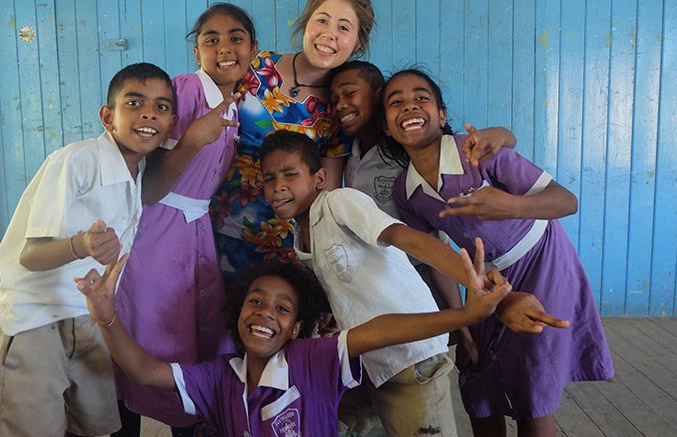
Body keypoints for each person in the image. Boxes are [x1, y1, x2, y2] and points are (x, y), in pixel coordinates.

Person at [258, 129, 568, 436]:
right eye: (269, 178)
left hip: (412, 358)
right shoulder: (302, 237)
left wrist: (487, 290)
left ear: (319, 179)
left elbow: (410, 239)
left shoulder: (339, 203)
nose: (278, 186)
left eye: (289, 175)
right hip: (378, 363)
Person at [75, 234, 512, 435]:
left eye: (282, 309)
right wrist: (106, 315)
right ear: (238, 311)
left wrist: (464, 317)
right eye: (256, 301)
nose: (265, 314)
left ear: (298, 328)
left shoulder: (311, 360)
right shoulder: (220, 378)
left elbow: (380, 331)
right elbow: (142, 370)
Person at [381, 68, 614, 437]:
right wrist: (461, 318)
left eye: (421, 97)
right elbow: (433, 255)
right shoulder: (405, 192)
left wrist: (510, 206)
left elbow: (566, 201)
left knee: (531, 380)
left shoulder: (481, 152)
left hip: (543, 259)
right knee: (476, 375)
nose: (409, 105)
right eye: (396, 102)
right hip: (487, 278)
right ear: (387, 127)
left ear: (441, 115)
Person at [0, 63, 176, 437]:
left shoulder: (136, 170)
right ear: (108, 116)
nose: (149, 114)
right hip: (38, 319)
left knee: (94, 424)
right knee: (30, 426)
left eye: (162, 107)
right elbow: (30, 255)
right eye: (134, 102)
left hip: (88, 317)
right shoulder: (75, 161)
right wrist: (80, 245)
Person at [112, 4, 258, 436]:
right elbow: (150, 186)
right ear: (197, 51)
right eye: (210, 39)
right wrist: (193, 139)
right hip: (158, 233)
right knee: (150, 331)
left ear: (253, 49)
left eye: (236, 38)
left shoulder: (234, 105)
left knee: (190, 338)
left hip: (194, 232)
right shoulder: (186, 91)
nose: (223, 48)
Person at [210, 0, 374, 280]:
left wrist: (319, 261)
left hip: (284, 246)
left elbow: (327, 191)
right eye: (321, 20)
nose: (329, 35)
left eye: (343, 27)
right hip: (217, 226)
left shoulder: (340, 107)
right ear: (306, 22)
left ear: (358, 43)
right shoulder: (255, 65)